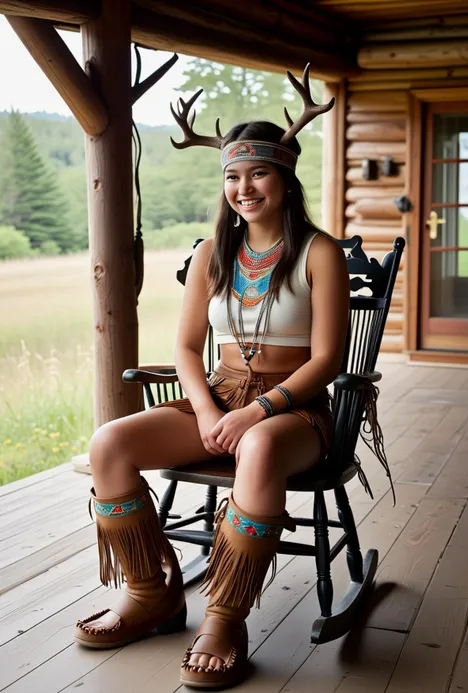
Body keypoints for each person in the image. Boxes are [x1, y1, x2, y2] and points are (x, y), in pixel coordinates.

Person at [74, 65, 349, 688]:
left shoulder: (320, 252)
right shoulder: (212, 253)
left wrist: (256, 412)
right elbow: (186, 348)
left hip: (295, 410)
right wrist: (206, 412)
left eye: (257, 173)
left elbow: (327, 360)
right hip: (219, 396)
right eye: (232, 175)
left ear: (283, 177)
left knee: (255, 446)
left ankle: (224, 616)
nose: (243, 187)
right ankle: (150, 594)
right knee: (109, 444)